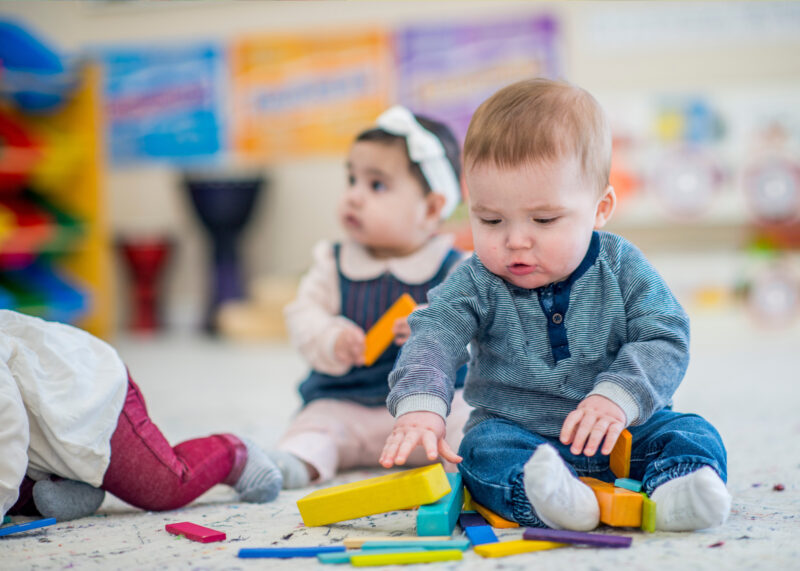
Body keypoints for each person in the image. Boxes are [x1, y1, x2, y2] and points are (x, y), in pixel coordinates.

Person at [379, 78, 731, 532]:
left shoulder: (621, 265)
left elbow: (664, 334)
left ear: (600, 207)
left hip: (623, 430)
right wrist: (421, 403)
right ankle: (545, 498)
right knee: (480, 452)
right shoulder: (477, 278)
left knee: (691, 434)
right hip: (518, 435)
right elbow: (434, 333)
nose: (515, 240)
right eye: (490, 219)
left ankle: (680, 491)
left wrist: (617, 397)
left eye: (544, 220)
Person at [272, 106, 471, 489]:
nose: (354, 197)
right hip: (350, 406)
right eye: (352, 180)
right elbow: (303, 314)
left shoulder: (456, 269)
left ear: (431, 208)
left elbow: (482, 331)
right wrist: (329, 336)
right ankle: (293, 464)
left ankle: (482, 475)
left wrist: (435, 331)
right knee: (316, 423)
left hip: (434, 410)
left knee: (473, 422)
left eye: (376, 185)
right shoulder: (332, 261)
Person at [0, 309, 281, 521]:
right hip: (38, 438)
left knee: (164, 486)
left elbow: (7, 431)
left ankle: (234, 454)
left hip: (88, 399)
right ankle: (67, 482)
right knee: (13, 484)